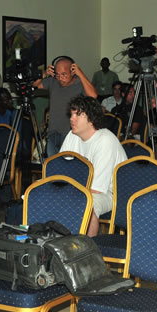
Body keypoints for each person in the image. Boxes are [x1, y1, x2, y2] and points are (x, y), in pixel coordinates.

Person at [59, 95, 127, 237]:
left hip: (110, 194)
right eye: (72, 114)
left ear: (91, 119)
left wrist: (68, 196)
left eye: (79, 115)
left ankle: (87, 251)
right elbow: (61, 170)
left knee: (88, 204)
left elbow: (96, 189)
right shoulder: (72, 136)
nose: (72, 118)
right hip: (81, 189)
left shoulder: (105, 140)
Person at [34, 56, 97, 157]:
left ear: (72, 71)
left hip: (71, 135)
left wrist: (80, 73)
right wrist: (44, 74)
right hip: (52, 133)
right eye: (58, 75)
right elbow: (34, 85)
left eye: (64, 74)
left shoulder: (80, 83)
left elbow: (93, 95)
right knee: (52, 168)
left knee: (68, 169)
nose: (60, 78)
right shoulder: (52, 81)